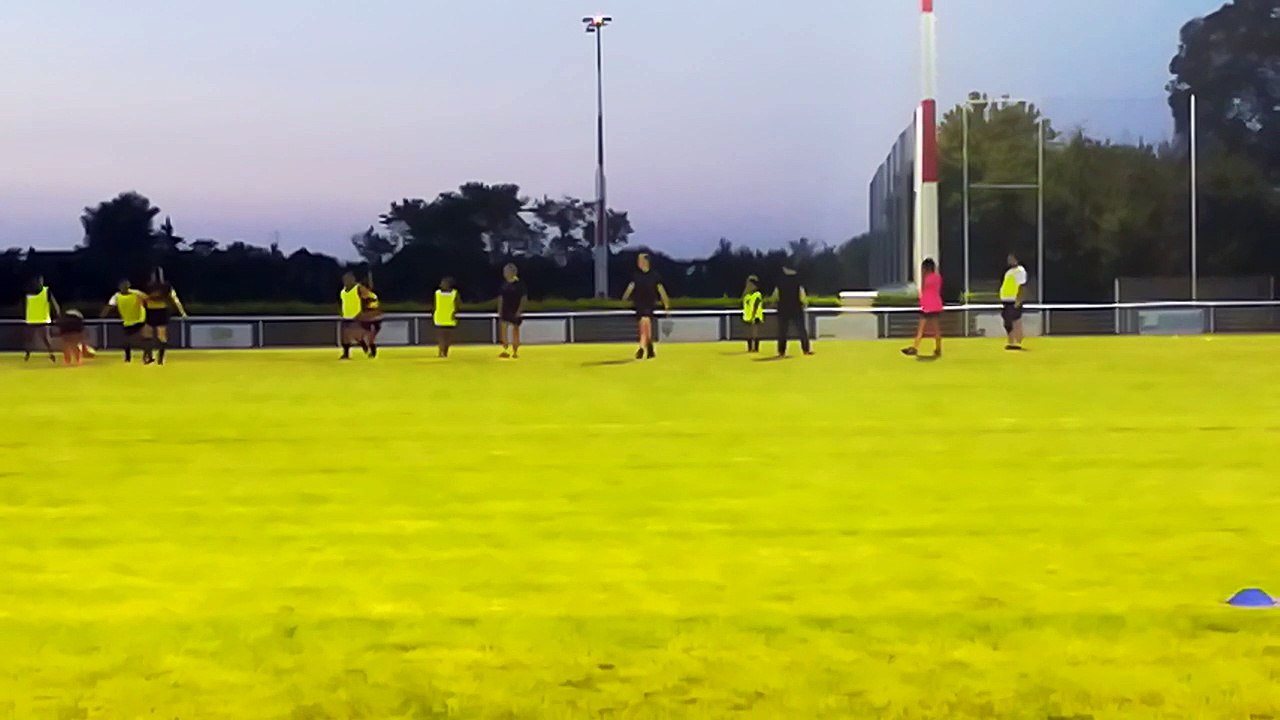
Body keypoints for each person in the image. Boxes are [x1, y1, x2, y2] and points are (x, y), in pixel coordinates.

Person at [620, 253, 670, 360]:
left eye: (640, 260)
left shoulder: (654, 276)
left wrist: (666, 303)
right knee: (645, 326)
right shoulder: (636, 275)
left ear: (646, 262)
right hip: (639, 303)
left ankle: (642, 348)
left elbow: (661, 290)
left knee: (644, 325)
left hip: (649, 303)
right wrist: (625, 297)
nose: (638, 263)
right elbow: (631, 287)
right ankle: (650, 347)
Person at [143, 270, 189, 365]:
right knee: (161, 336)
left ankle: (150, 357)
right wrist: (182, 312)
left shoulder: (147, 287)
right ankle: (159, 358)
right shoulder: (166, 287)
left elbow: (142, 299)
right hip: (161, 311)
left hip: (152, 311)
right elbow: (175, 300)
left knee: (148, 336)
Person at [902, 258, 944, 358]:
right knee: (936, 329)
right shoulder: (938, 278)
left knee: (921, 329)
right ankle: (938, 349)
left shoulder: (927, 278)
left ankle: (915, 347)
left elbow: (925, 292)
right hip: (936, 305)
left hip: (927, 305)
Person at [772, 263, 813, 357]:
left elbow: (775, 296)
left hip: (783, 309)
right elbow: (802, 296)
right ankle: (806, 349)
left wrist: (774, 304)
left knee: (782, 331)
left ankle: (781, 351)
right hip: (796, 309)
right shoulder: (798, 283)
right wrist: (805, 304)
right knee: (801, 330)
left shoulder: (780, 283)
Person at [102, 279, 149, 363]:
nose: (125, 288)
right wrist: (103, 315)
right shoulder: (116, 296)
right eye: (123, 287)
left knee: (143, 339)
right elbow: (110, 306)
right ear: (120, 287)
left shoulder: (137, 293)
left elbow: (148, 299)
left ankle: (147, 356)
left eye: (126, 286)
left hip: (140, 319)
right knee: (127, 341)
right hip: (127, 321)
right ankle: (128, 358)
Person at [23, 276, 60, 363]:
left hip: (42, 319)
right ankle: (27, 354)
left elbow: (53, 303)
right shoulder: (28, 292)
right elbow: (24, 305)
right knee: (30, 339)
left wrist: (57, 312)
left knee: (45, 339)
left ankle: (51, 354)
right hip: (32, 319)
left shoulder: (46, 291)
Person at [339, 272, 373, 360]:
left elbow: (367, 296)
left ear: (353, 280)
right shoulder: (343, 291)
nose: (346, 281)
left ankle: (366, 348)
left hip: (356, 316)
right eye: (345, 280)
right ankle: (346, 354)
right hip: (346, 317)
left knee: (357, 336)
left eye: (348, 279)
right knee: (345, 337)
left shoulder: (358, 288)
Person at [497, 263, 527, 359]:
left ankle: (515, 351)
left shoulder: (520, 285)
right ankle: (505, 350)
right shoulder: (504, 285)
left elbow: (524, 298)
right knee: (504, 329)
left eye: (506, 272)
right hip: (505, 310)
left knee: (515, 330)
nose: (504, 274)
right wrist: (499, 310)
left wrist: (520, 310)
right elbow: (500, 298)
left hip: (515, 310)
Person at [1000, 253, 1029, 350]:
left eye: (1011, 259)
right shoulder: (1009, 272)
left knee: (1016, 320)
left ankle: (1017, 342)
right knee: (1007, 322)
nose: (1010, 261)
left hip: (1013, 300)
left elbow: (1021, 286)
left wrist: (1018, 299)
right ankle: (1011, 341)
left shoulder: (1020, 271)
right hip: (1006, 300)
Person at [433, 277, 459, 358]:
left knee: (447, 337)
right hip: (440, 316)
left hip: (449, 317)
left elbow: (457, 304)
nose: (441, 284)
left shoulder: (454, 293)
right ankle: (441, 352)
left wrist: (455, 313)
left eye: (443, 283)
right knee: (441, 336)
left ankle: (445, 352)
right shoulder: (437, 293)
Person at [360, 276, 383, 359]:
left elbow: (373, 308)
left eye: (362, 287)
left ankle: (372, 353)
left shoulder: (372, 296)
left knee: (371, 338)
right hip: (366, 319)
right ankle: (368, 349)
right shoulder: (360, 297)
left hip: (374, 319)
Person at [741, 274, 765, 352]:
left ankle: (756, 348)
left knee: (755, 333)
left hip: (755, 316)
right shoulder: (747, 295)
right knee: (748, 333)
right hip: (748, 316)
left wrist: (753, 315)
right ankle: (750, 347)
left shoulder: (757, 294)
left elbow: (756, 305)